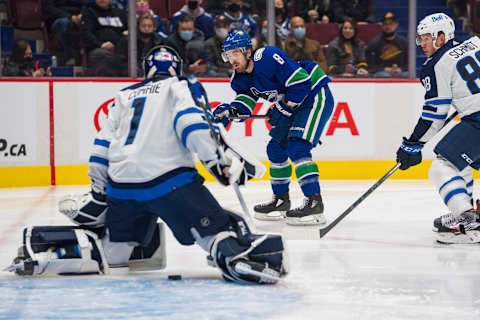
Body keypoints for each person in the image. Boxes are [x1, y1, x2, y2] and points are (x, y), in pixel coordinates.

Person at [6, 45, 288, 285]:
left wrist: (100, 195)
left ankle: (43, 256)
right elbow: (190, 124)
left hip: (122, 188)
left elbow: (101, 151)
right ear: (176, 67)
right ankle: (235, 259)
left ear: (146, 68)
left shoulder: (124, 95)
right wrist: (218, 162)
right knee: (219, 230)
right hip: (170, 183)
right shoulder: (182, 85)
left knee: (113, 253)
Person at [213, 31, 334, 225]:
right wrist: (232, 111)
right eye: (228, 55)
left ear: (248, 52)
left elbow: (301, 83)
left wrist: (284, 107)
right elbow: (246, 103)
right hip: (293, 102)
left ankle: (314, 203)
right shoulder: (239, 78)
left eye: (235, 53)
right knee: (275, 150)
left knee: (297, 147)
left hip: (314, 95)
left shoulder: (267, 57)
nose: (232, 59)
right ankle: (281, 201)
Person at [395, 13, 480, 244]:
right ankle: (468, 213)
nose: (422, 44)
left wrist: (412, 144)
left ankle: (468, 220)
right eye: (420, 39)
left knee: (442, 166)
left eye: (426, 38)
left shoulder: (436, 65)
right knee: (458, 160)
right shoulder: (475, 41)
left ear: (441, 37)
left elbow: (435, 115)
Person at [80, 0, 128, 76]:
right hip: (97, 49)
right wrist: (101, 44)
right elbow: (86, 33)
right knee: (101, 54)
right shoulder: (88, 12)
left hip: (119, 49)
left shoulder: (120, 13)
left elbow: (127, 32)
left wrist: (117, 44)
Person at [42, 0, 89, 66]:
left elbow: (86, 4)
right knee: (64, 23)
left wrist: (81, 14)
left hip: (77, 19)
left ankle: (86, 58)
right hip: (57, 19)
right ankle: (70, 57)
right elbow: (48, 8)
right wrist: (69, 16)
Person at [366, 12, 408, 77]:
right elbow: (370, 66)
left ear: (396, 24)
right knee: (384, 75)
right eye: (385, 24)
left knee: (407, 74)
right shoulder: (374, 43)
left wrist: (401, 69)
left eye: (391, 24)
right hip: (382, 72)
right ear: (382, 25)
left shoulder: (404, 43)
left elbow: (409, 65)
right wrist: (384, 69)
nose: (388, 26)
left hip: (400, 72)